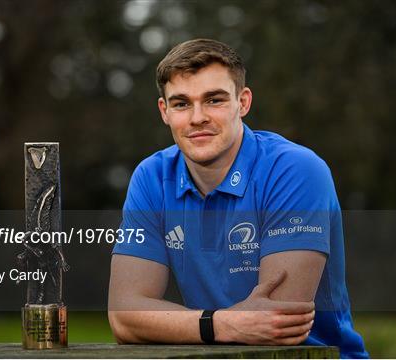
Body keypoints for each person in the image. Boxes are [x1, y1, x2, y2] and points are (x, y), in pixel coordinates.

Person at [108, 38, 368, 358]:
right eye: (181, 103)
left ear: (243, 102)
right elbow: (124, 317)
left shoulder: (296, 169)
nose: (197, 117)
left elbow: (274, 323)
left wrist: (174, 322)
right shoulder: (151, 177)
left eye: (214, 100)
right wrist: (221, 324)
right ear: (164, 111)